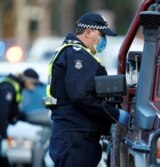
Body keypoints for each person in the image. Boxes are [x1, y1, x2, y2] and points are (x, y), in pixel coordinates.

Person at [45, 12, 129, 167]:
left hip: (73, 136)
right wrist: (115, 114)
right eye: (102, 35)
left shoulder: (70, 52)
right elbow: (81, 96)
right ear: (88, 33)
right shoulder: (79, 56)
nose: (104, 40)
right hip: (76, 137)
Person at [0, 68, 40, 167]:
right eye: (34, 84)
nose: (34, 87)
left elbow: (14, 111)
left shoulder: (16, 87)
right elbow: (2, 113)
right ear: (27, 80)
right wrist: (4, 136)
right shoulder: (8, 87)